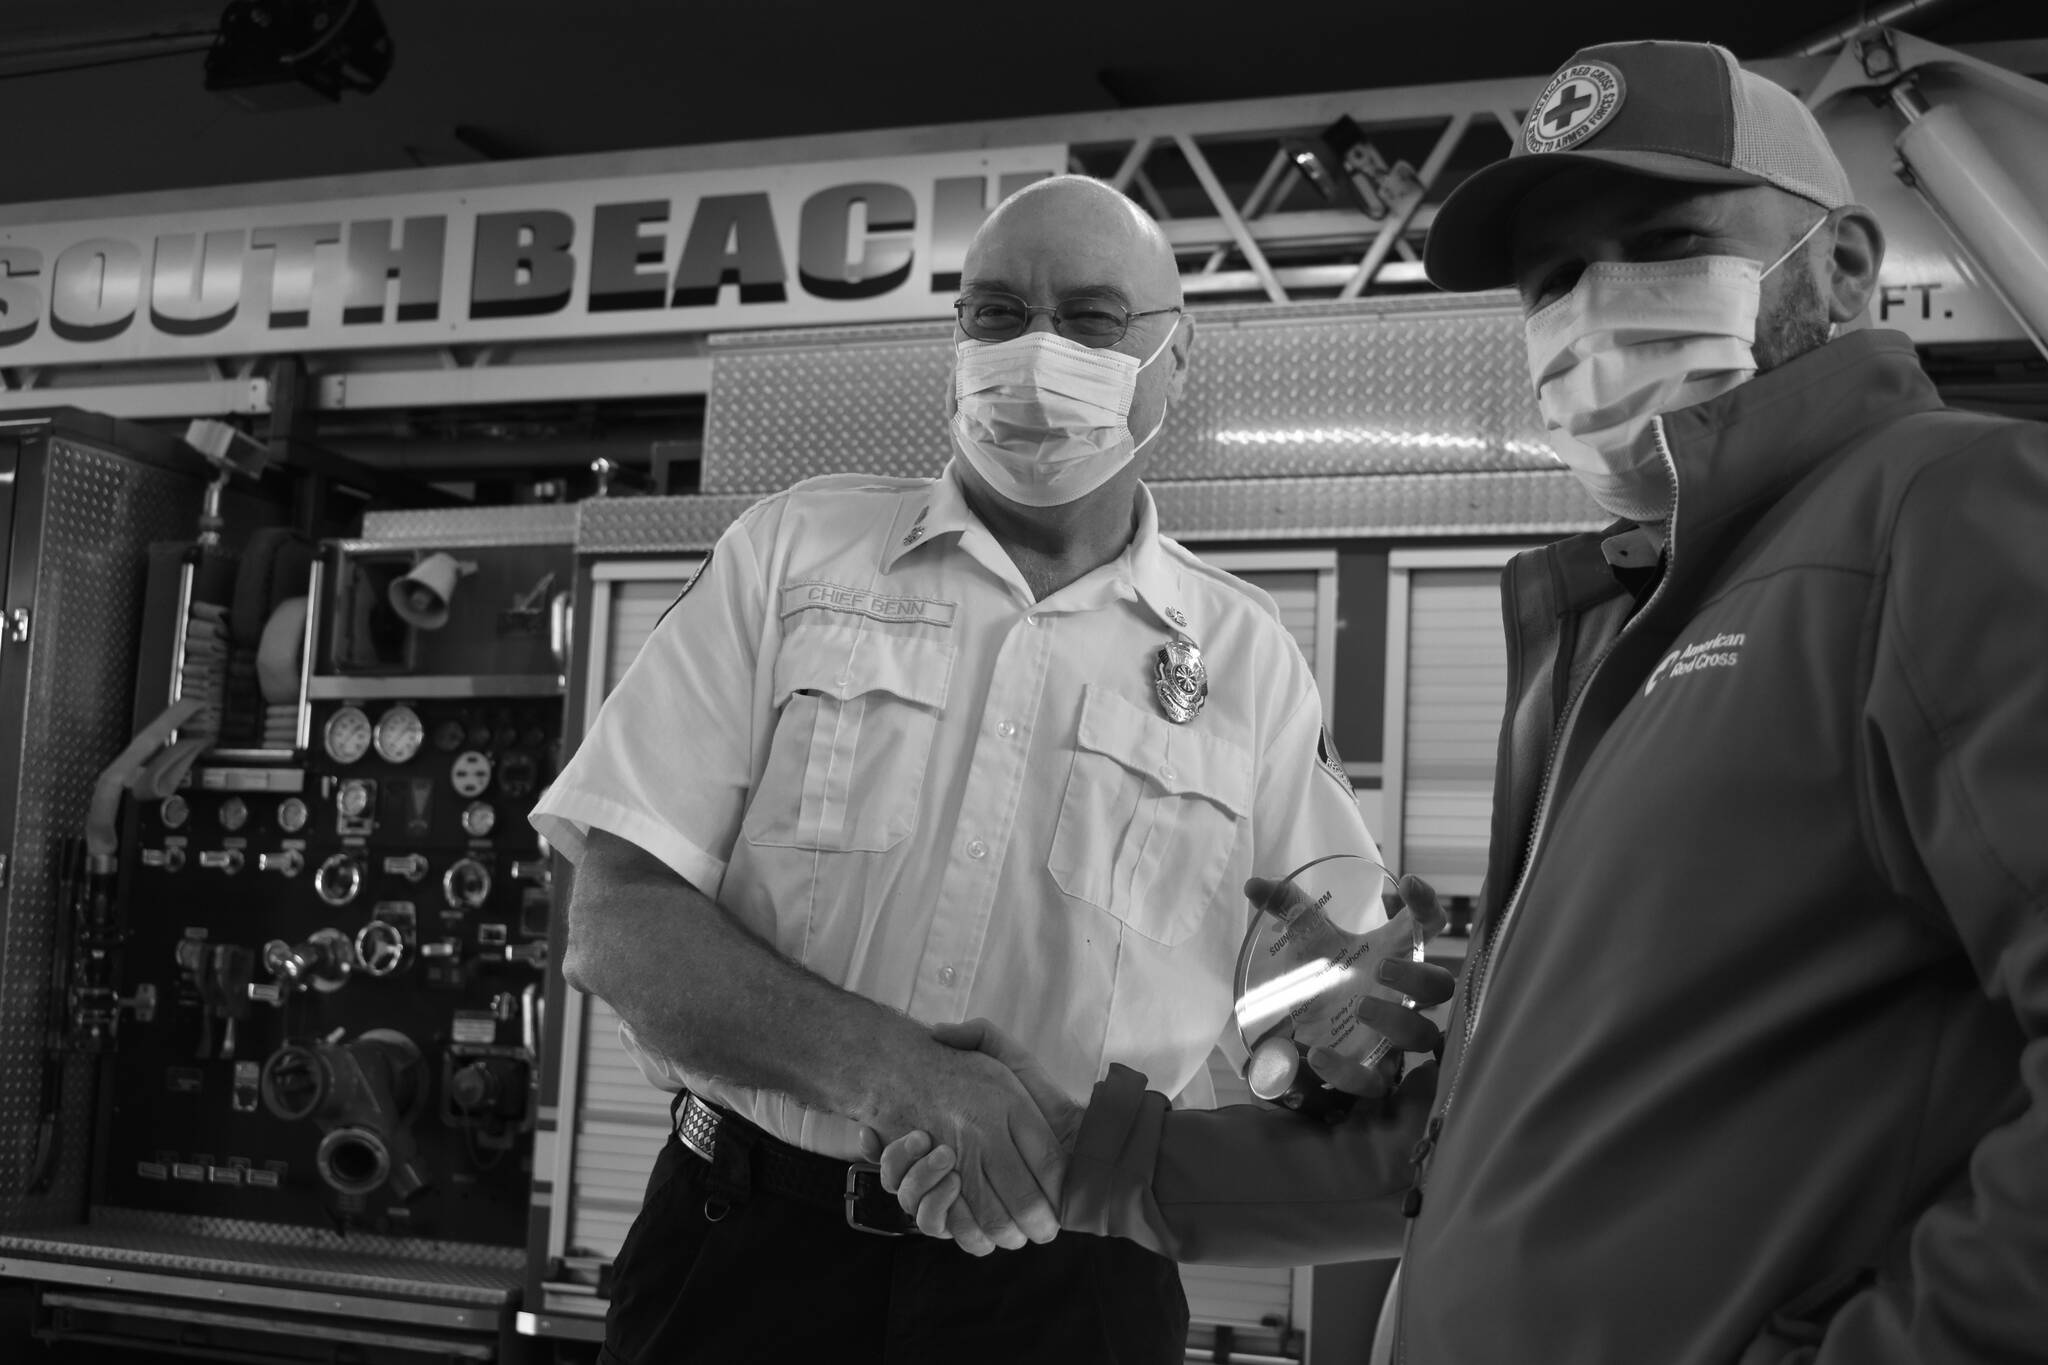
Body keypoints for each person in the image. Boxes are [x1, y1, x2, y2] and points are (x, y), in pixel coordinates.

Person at [880, 40, 2048, 1365]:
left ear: (1841, 270)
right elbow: (1464, 1146)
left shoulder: (1948, 516)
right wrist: (1089, 1157)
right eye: (1555, 281)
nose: (1597, 315)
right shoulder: (1616, 635)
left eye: (1661, 243)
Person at [531, 174, 1442, 1365]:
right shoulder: (791, 556)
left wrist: (1337, 1030)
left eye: (1093, 319)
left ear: (1174, 358)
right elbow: (618, 926)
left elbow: (1333, 1013)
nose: (1037, 352)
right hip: (745, 1254)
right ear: (954, 344)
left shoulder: (1245, 665)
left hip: (1074, 1294)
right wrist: (898, 1076)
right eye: (996, 313)